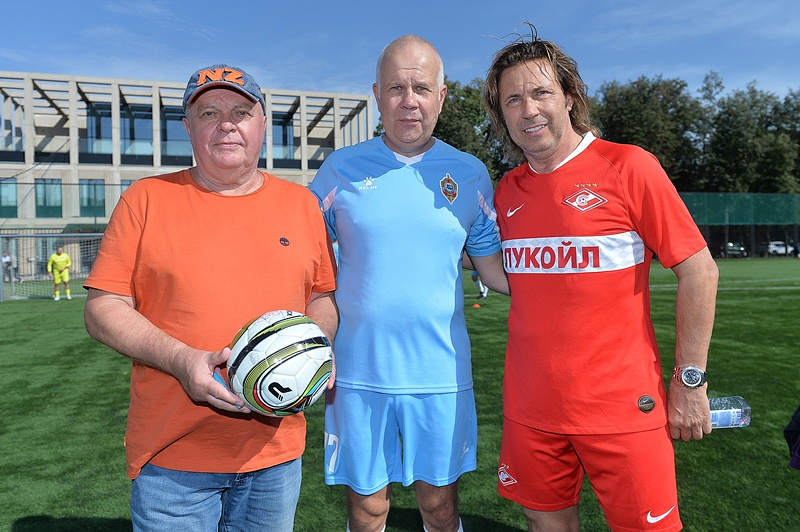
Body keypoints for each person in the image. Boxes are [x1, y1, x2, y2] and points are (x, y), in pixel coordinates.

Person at [83, 64, 338, 532]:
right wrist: (182, 360)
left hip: (275, 455)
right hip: (172, 459)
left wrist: (316, 348)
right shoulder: (145, 199)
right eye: (209, 113)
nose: (227, 124)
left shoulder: (302, 204)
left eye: (241, 112)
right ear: (188, 127)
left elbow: (322, 296)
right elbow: (102, 308)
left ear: (262, 124)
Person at [483, 33, 719, 531]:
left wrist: (690, 380)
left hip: (623, 410)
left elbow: (699, 270)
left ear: (569, 97)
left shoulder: (629, 166)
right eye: (513, 99)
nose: (529, 109)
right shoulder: (507, 191)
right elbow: (513, 276)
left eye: (541, 93)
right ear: (502, 113)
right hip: (531, 410)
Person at [309, 35, 508, 532]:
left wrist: (580, 281)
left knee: (439, 510)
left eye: (421, 88)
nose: (409, 101)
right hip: (357, 375)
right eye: (396, 88)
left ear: (442, 96)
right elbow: (301, 258)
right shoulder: (339, 170)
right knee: (367, 511)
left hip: (440, 375)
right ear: (377, 95)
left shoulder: (470, 174)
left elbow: (496, 272)